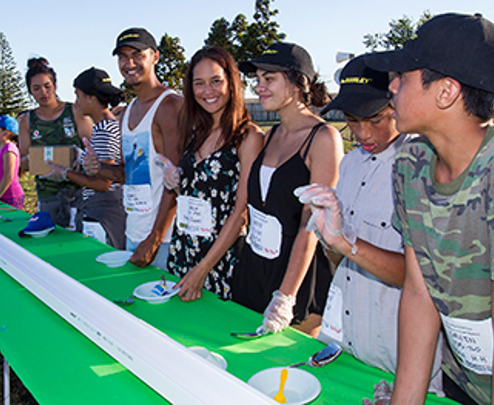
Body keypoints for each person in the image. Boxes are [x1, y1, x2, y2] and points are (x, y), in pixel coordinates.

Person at [363, 13, 494, 405]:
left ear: (446, 92)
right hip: (463, 385)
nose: (391, 87)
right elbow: (420, 294)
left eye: (403, 76)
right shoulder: (411, 164)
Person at [295, 54, 443, 394]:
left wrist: (345, 242)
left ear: (397, 100)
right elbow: (338, 263)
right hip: (344, 344)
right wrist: (329, 237)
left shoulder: (424, 168)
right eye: (352, 120)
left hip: (399, 361)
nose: (362, 133)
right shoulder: (349, 165)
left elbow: (416, 277)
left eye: (374, 119)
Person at [232, 42, 343, 337]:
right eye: (258, 79)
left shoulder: (323, 139)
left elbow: (311, 223)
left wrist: (286, 296)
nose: (259, 87)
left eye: (269, 79)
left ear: (298, 83)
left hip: (298, 278)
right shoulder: (270, 136)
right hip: (255, 268)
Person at [159, 46, 263, 301]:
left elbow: (242, 212)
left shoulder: (248, 136)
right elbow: (197, 193)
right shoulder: (195, 132)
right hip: (184, 250)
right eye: (199, 83)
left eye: (216, 81)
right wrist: (175, 184)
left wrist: (203, 269)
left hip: (219, 262)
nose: (208, 91)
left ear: (232, 82)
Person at [83, 27, 184, 270]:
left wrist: (155, 238)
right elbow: (130, 175)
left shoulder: (170, 106)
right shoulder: (127, 112)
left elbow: (177, 182)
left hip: (165, 238)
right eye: (122, 57)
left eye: (137, 54)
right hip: (135, 230)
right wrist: (100, 167)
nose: (129, 63)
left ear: (155, 56)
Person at [44, 67, 126, 249]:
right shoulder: (107, 126)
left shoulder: (104, 129)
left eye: (78, 95)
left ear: (91, 97)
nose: (76, 102)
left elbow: (102, 184)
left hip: (102, 213)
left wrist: (64, 173)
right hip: (104, 211)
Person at [18, 57, 93, 227]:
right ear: (30, 91)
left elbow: (94, 150)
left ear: (55, 85)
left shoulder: (74, 111)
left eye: (47, 86)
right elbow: (23, 163)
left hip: (79, 193)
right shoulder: (27, 121)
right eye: (36, 88)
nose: (43, 93)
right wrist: (37, 159)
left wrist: (75, 158)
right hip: (47, 196)